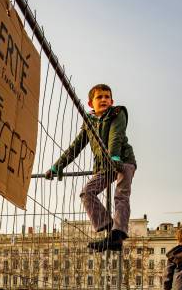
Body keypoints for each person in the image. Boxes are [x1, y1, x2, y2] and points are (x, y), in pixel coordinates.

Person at [45, 84, 136, 252]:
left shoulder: (118, 112)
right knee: (87, 192)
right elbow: (75, 147)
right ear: (90, 103)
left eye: (107, 97)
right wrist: (58, 166)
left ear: (112, 100)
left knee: (121, 195)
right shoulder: (89, 123)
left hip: (123, 160)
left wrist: (114, 155)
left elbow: (116, 135)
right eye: (99, 97)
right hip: (104, 166)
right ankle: (110, 230)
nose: (104, 100)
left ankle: (117, 235)